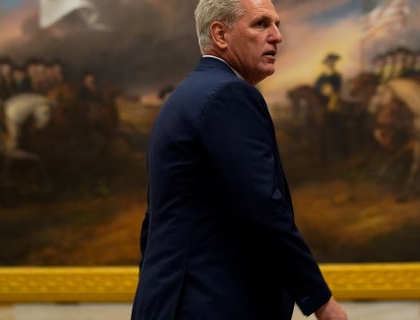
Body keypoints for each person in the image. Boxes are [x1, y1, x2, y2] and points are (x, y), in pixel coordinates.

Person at [130, 1, 347, 320]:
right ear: (220, 34)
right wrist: (320, 300)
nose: (276, 36)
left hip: (173, 302)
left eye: (277, 24)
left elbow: (156, 222)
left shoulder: (185, 96)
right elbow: (262, 206)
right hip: (211, 304)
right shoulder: (227, 95)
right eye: (261, 24)